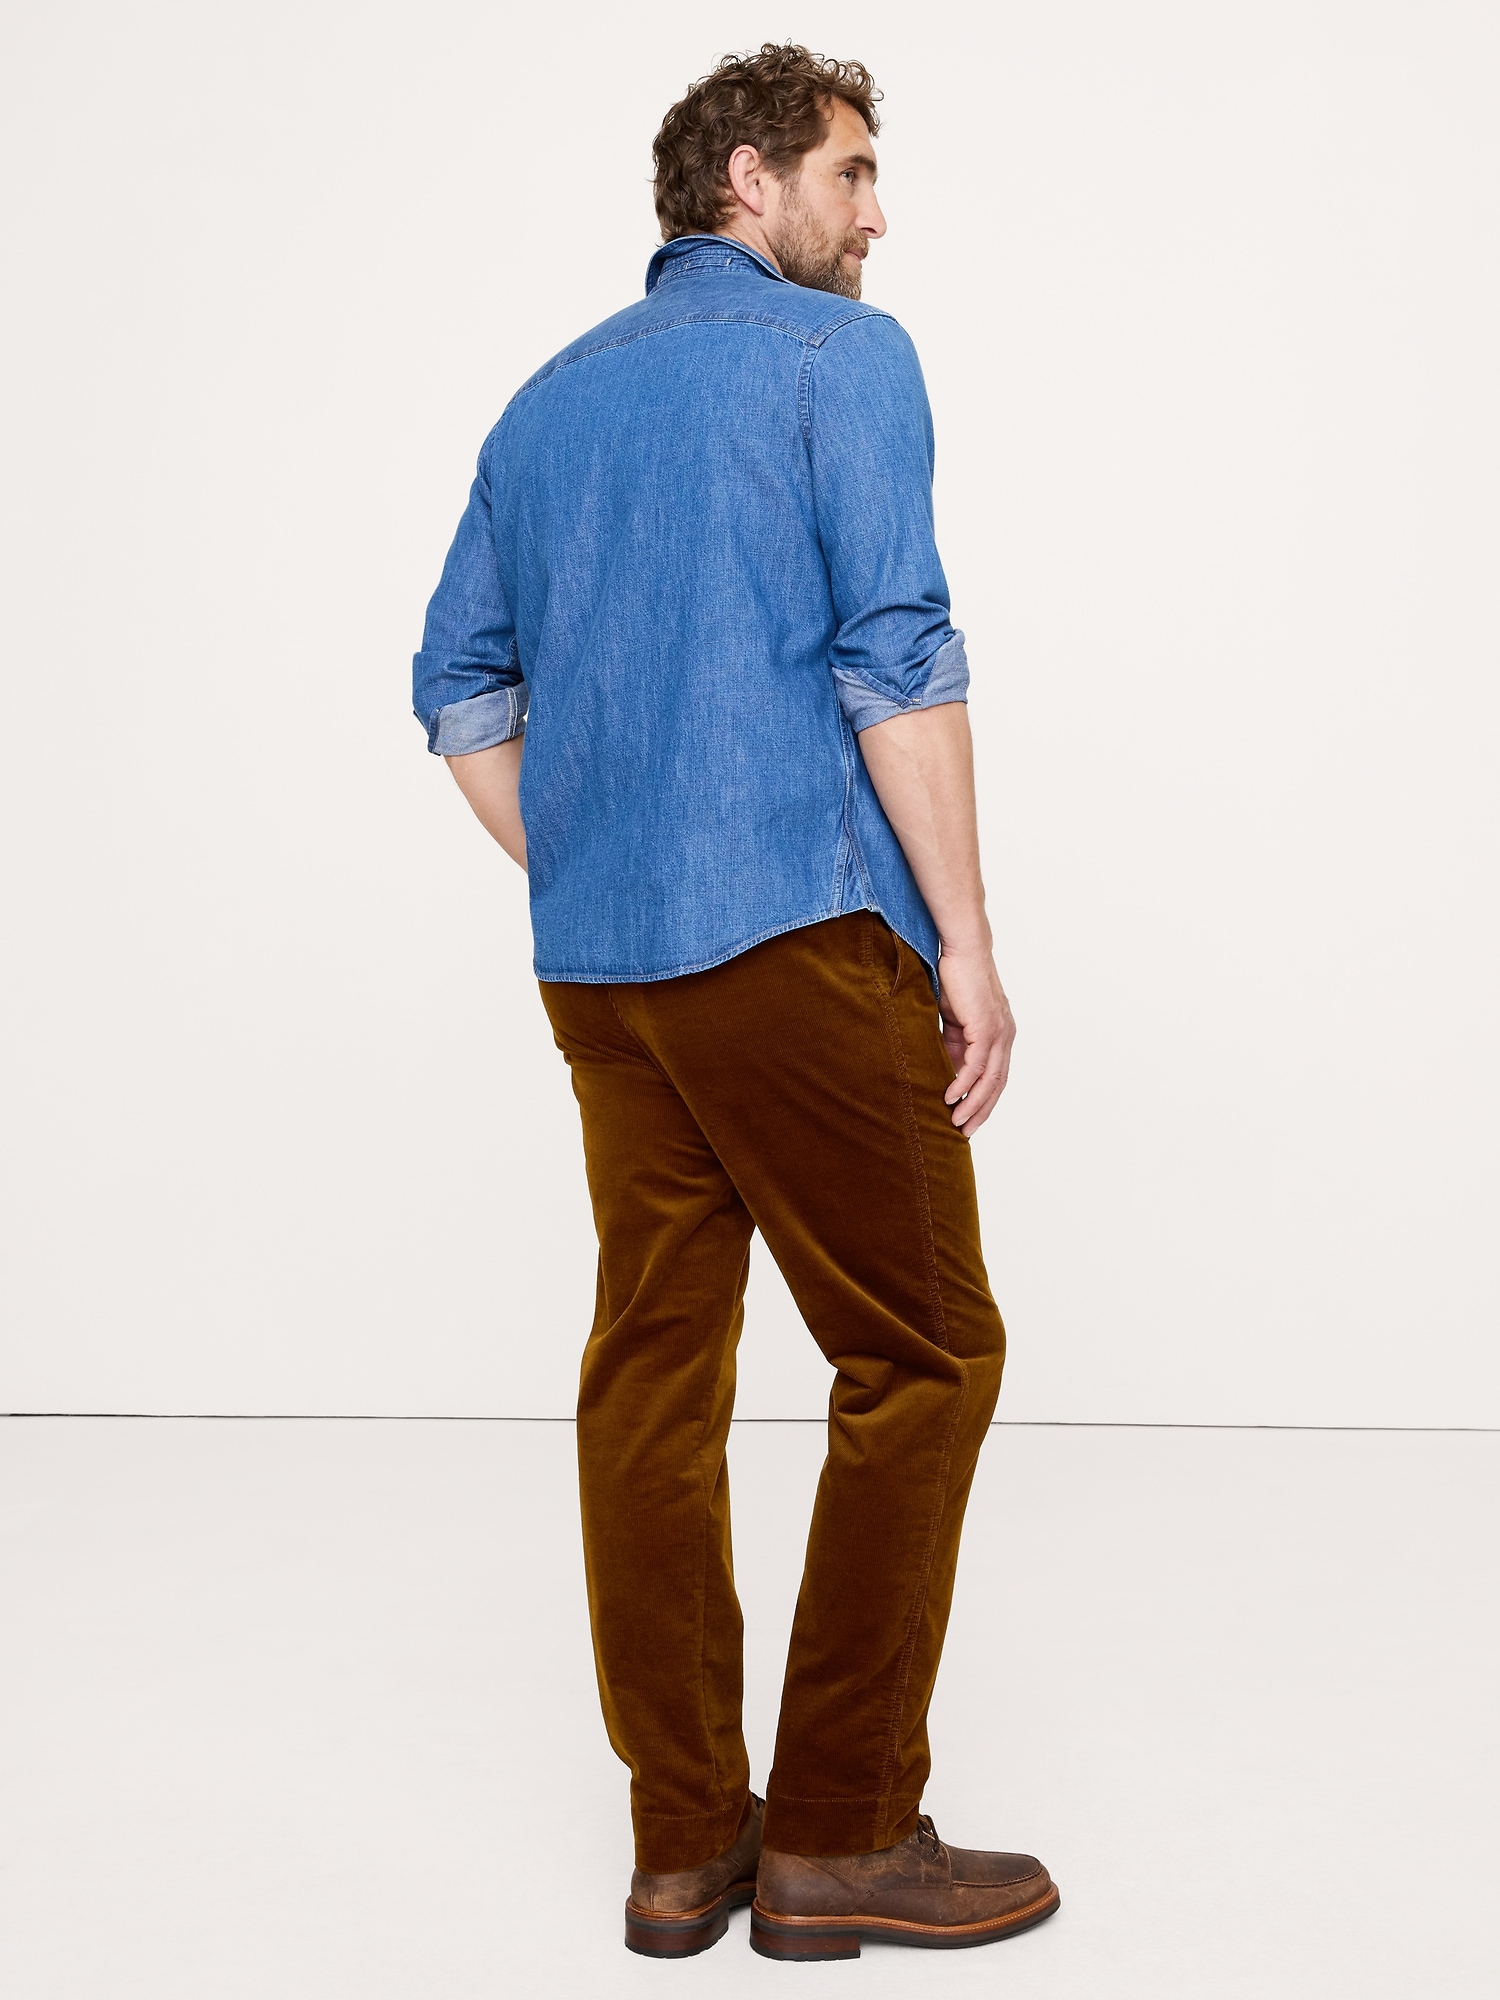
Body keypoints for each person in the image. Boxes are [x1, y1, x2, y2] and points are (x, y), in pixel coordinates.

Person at [411, 42, 1058, 1963]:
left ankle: (685, 1844)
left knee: (654, 1374)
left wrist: (606, 861)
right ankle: (841, 1832)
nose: (878, 215)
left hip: (605, 973)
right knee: (925, 1352)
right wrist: (966, 942)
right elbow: (898, 653)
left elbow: (460, 690)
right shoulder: (839, 358)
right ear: (749, 181)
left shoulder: (545, 403)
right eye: (851, 173)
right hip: (792, 937)